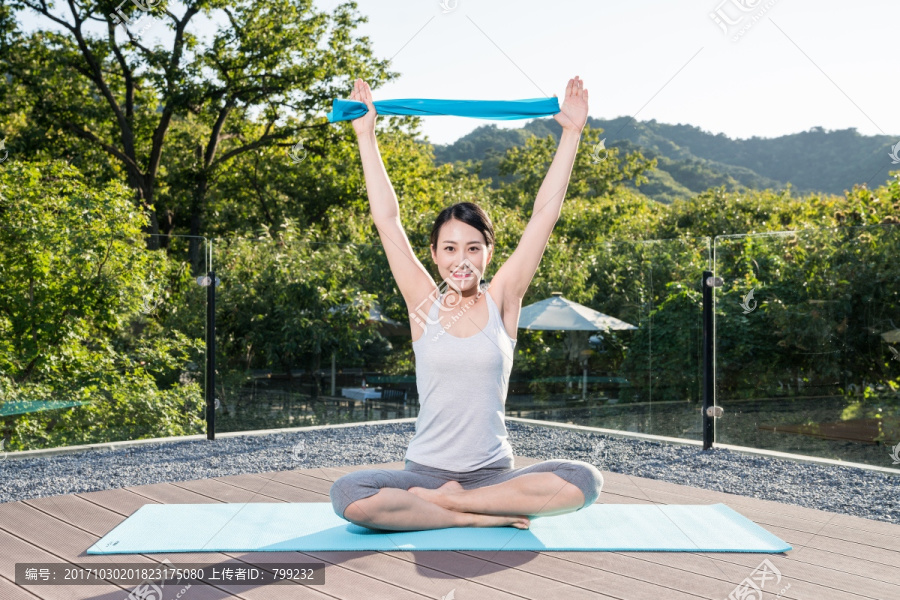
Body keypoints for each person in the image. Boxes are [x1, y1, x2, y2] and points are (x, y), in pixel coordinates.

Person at [329, 76, 603, 531]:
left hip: (495, 476)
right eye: (450, 248)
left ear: (488, 254)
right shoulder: (424, 304)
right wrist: (366, 136)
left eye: (473, 248)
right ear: (434, 255)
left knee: (583, 479)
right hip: (425, 474)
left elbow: (544, 215)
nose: (461, 260)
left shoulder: (503, 298)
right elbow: (387, 220)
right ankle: (477, 517)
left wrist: (571, 134)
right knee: (348, 495)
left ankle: (452, 508)